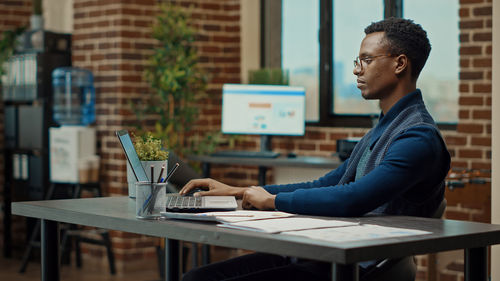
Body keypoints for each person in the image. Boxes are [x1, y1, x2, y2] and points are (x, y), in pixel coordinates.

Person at [179, 17, 450, 281]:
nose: (357, 70)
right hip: (329, 253)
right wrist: (237, 191)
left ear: (400, 63)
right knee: (197, 276)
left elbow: (353, 198)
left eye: (366, 60)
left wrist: (272, 201)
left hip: (356, 266)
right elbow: (328, 183)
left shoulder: (417, 137)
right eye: (359, 61)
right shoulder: (383, 129)